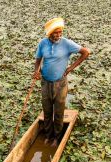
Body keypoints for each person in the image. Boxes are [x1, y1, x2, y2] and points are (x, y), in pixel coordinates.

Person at [33, 17, 90, 147]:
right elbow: (38, 59)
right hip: (45, 82)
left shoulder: (66, 43)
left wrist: (70, 68)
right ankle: (48, 135)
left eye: (60, 33)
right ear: (49, 33)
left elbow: (86, 52)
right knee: (47, 111)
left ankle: (57, 138)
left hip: (60, 83)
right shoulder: (43, 43)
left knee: (58, 112)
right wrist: (36, 70)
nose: (58, 35)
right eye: (55, 33)